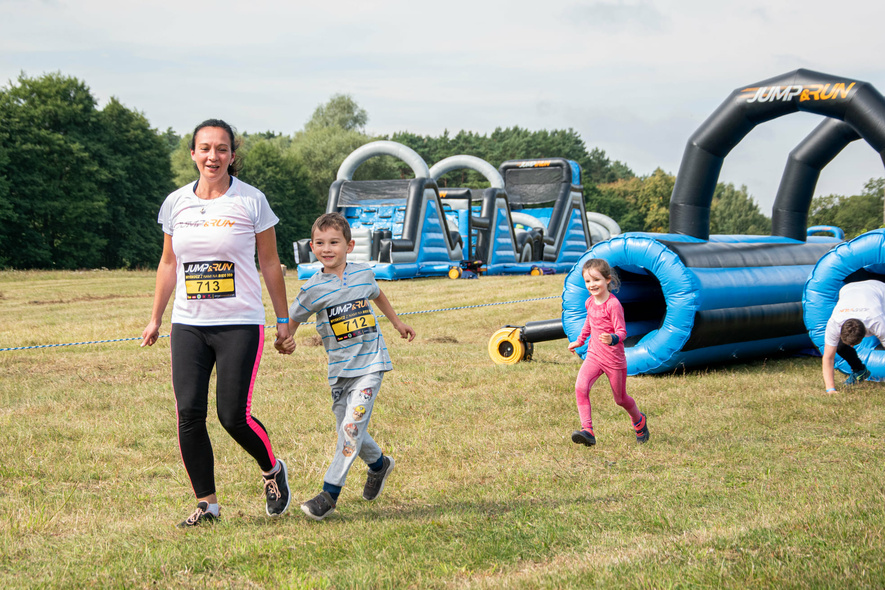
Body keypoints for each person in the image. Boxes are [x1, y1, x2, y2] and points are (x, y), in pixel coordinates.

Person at [141, 119, 293, 527]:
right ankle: (207, 505)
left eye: (221, 149)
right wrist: (156, 317)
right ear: (193, 153)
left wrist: (283, 320)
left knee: (232, 416)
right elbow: (169, 263)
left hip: (239, 323)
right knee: (189, 414)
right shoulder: (176, 203)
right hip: (189, 324)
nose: (213, 156)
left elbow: (270, 262)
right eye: (205, 148)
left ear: (231, 155)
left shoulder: (251, 201)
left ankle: (272, 470)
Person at [280, 212, 415, 521]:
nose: (327, 249)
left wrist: (396, 322)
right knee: (349, 428)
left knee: (351, 428)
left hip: (371, 363)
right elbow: (292, 318)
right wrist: (284, 340)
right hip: (340, 372)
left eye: (334, 242)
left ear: (349, 245)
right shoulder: (312, 288)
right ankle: (379, 466)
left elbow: (378, 293)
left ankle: (330, 493)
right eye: (320, 243)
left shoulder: (363, 274)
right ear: (312, 247)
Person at [567, 258, 649, 447]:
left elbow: (622, 332)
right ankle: (587, 430)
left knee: (620, 399)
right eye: (588, 281)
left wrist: (613, 338)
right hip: (594, 355)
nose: (592, 285)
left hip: (613, 359)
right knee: (580, 387)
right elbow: (589, 322)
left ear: (608, 280)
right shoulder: (589, 302)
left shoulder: (613, 305)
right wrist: (580, 340)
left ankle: (639, 420)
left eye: (596, 280)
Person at [821, 279, 885, 392]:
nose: (851, 347)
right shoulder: (835, 322)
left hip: (879, 290)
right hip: (848, 289)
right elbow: (828, 357)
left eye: (854, 344)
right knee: (839, 347)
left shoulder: (876, 321)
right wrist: (830, 389)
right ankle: (859, 370)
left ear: (865, 334)